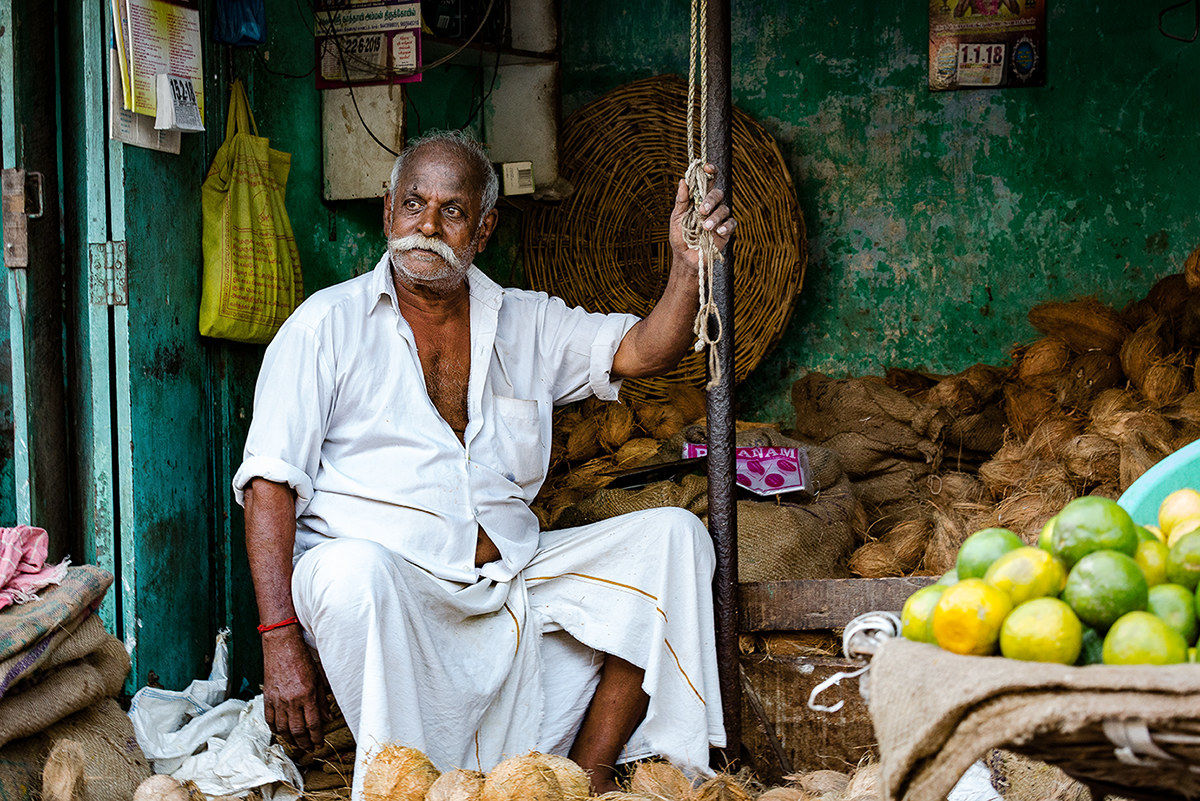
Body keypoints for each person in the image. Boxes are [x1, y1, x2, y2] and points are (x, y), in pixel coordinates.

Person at [234, 130, 735, 797]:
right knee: (349, 571)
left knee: (674, 538)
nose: (427, 226)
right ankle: (400, 789)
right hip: (391, 589)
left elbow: (643, 348)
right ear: (388, 211)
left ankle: (588, 780)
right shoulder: (324, 325)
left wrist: (687, 267)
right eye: (413, 203)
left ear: (484, 228)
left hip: (508, 577)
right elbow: (269, 484)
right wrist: (277, 638)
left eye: (452, 210)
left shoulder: (525, 321)